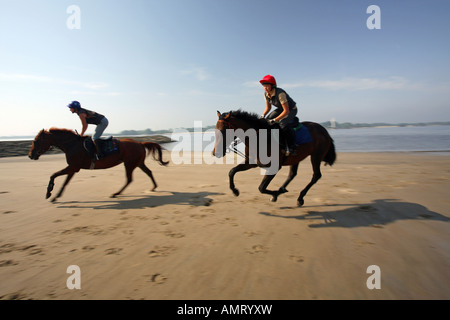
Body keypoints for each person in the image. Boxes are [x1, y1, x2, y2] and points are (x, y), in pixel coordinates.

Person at [259, 74, 298, 156]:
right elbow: (268, 107)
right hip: (281, 109)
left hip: (291, 110)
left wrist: (274, 120)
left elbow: (286, 111)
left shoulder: (280, 93)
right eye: (264, 86)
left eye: (267, 85)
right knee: (266, 120)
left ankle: (291, 147)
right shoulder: (266, 94)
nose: (265, 88)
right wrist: (262, 116)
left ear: (272, 85)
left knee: (282, 124)